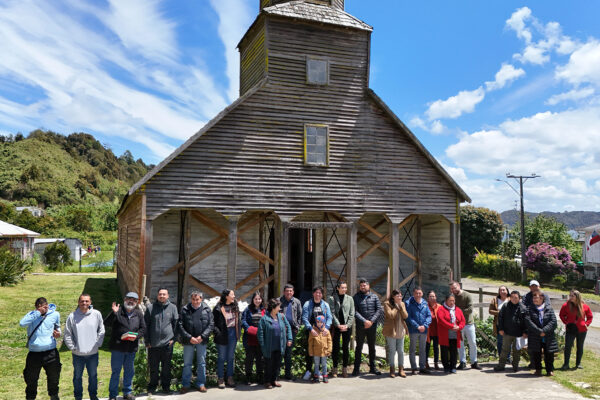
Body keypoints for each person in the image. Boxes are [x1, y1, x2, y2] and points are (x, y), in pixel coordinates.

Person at [64, 293, 105, 400]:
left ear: (90, 302)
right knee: (77, 377)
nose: (84, 303)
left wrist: (98, 344)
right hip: (78, 355)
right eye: (82, 301)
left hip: (93, 354)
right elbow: (67, 334)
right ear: (78, 302)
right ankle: (78, 397)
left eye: (86, 301)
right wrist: (72, 347)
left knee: (93, 376)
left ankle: (93, 396)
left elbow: (101, 330)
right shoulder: (72, 316)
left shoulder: (96, 314)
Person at [20, 297, 62, 400]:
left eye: (43, 307)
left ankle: (54, 396)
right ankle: (30, 397)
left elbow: (57, 328)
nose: (42, 309)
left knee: (54, 378)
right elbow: (22, 323)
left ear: (47, 306)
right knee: (31, 379)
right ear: (36, 307)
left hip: (51, 352)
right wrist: (38, 313)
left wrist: (58, 334)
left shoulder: (55, 314)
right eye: (39, 307)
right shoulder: (32, 315)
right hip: (34, 353)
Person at [106, 292, 145, 400]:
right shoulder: (118, 311)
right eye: (129, 299)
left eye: (133, 300)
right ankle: (113, 395)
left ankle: (127, 392)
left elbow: (143, 329)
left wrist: (136, 336)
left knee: (129, 371)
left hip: (131, 348)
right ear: (124, 299)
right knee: (116, 372)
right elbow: (107, 324)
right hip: (118, 347)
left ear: (136, 302)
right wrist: (113, 313)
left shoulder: (138, 314)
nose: (131, 301)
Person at [178, 290, 214, 394]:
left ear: (201, 299)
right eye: (193, 299)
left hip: (201, 341)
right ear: (191, 299)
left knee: (201, 363)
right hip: (188, 341)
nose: (195, 301)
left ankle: (201, 384)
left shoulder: (206, 309)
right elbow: (180, 325)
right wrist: (189, 337)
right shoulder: (185, 309)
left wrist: (202, 336)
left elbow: (211, 324)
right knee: (187, 364)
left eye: (197, 299)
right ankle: (185, 385)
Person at [144, 288, 178, 394]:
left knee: (166, 368)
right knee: (153, 367)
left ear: (168, 296)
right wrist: (147, 341)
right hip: (153, 344)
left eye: (164, 294)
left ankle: (166, 387)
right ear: (157, 296)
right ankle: (152, 387)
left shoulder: (173, 308)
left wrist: (174, 339)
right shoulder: (150, 308)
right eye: (160, 294)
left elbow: (176, 325)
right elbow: (146, 326)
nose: (162, 296)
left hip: (167, 344)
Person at [257, 298, 292, 389]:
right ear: (273, 307)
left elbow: (288, 327)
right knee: (268, 365)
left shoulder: (281, 316)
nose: (280, 308)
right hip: (268, 347)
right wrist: (263, 345)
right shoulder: (264, 319)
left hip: (280, 345)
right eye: (278, 306)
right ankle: (267, 381)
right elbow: (260, 333)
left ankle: (274, 380)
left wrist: (289, 339)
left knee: (277, 364)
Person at [352, 278, 383, 376]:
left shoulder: (374, 297)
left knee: (372, 347)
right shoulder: (356, 297)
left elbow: (378, 310)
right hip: (361, 326)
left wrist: (371, 321)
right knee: (359, 347)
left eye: (364, 285)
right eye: (361, 286)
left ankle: (372, 368)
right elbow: (354, 311)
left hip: (372, 326)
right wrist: (364, 321)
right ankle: (356, 369)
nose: (363, 287)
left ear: (368, 286)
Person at [301, 286, 332, 380]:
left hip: (323, 331)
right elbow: (304, 318)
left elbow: (330, 317)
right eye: (316, 292)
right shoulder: (308, 304)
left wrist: (327, 328)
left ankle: (320, 372)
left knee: (322, 351)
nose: (318, 295)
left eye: (320, 293)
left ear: (322, 295)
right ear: (313, 293)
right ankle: (309, 371)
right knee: (310, 351)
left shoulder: (325, 305)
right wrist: (311, 329)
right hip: (312, 330)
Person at [524, 291, 558, 376]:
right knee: (536, 353)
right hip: (535, 335)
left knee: (549, 353)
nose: (534, 299)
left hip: (548, 336)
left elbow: (553, 322)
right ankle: (538, 369)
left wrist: (544, 331)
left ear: (542, 298)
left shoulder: (549, 308)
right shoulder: (529, 309)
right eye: (533, 298)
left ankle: (549, 370)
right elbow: (528, 322)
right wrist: (539, 331)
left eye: (536, 297)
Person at [213, 289, 241, 388]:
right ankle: (220, 378)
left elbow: (238, 321)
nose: (234, 296)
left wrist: (238, 333)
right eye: (232, 294)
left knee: (230, 357)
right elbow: (213, 323)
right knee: (221, 357)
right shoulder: (218, 307)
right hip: (222, 334)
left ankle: (230, 377)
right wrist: (218, 333)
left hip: (233, 333)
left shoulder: (235, 306)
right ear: (226, 296)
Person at [559, 289, 593, 370]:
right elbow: (561, 315)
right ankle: (566, 364)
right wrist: (566, 322)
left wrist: (586, 324)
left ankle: (578, 364)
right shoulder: (566, 305)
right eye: (570, 295)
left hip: (582, 330)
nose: (570, 297)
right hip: (570, 330)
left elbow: (590, 317)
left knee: (580, 346)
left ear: (577, 297)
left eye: (572, 296)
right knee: (568, 346)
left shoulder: (585, 306)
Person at [450, 281, 480, 369]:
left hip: (469, 323)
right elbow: (450, 308)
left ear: (459, 286)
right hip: (458, 324)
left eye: (454, 288)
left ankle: (474, 361)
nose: (453, 290)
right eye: (451, 289)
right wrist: (461, 310)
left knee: (473, 342)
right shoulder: (452, 297)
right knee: (460, 344)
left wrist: (458, 311)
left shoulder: (467, 295)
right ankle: (462, 361)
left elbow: (470, 309)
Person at [327, 281, 355, 378]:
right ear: (338, 288)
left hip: (347, 327)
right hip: (336, 327)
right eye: (342, 287)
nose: (344, 289)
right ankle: (334, 368)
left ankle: (344, 369)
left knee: (345, 348)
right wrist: (338, 325)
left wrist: (347, 325)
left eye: (345, 288)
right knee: (336, 348)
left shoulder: (350, 298)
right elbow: (332, 312)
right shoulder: (332, 298)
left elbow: (352, 313)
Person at [494, 290, 526, 372]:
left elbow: (526, 321)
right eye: (512, 297)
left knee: (517, 351)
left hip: (519, 334)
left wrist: (525, 332)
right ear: (510, 298)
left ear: (519, 298)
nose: (514, 299)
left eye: (515, 298)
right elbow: (500, 318)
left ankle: (515, 366)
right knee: (504, 350)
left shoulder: (523, 308)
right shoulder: (505, 306)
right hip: (507, 333)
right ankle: (501, 365)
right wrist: (500, 329)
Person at [436, 294, 465, 373]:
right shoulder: (441, 309)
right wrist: (452, 326)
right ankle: (446, 366)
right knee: (444, 351)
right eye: (450, 301)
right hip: (445, 334)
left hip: (455, 334)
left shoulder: (458, 309)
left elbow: (463, 320)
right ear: (446, 301)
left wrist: (459, 327)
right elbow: (441, 320)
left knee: (454, 351)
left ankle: (453, 366)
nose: (452, 302)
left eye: (453, 301)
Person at [406, 286, 432, 375]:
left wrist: (424, 325)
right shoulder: (409, 303)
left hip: (423, 330)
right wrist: (417, 326)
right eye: (416, 293)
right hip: (414, 330)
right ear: (413, 294)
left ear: (422, 293)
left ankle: (422, 367)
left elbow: (429, 316)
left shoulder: (425, 303)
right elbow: (409, 317)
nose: (418, 295)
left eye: (419, 293)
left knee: (422, 349)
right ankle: (414, 367)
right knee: (412, 349)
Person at [383, 289, 409, 378]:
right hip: (391, 331)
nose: (400, 297)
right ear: (393, 297)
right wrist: (396, 307)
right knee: (392, 351)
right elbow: (390, 315)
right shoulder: (387, 304)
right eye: (398, 296)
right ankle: (392, 369)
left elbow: (405, 316)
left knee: (401, 351)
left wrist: (400, 307)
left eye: (400, 296)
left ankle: (401, 369)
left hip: (400, 330)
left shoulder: (402, 304)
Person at [279, 284, 303, 380]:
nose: (289, 293)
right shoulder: (279, 301)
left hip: (292, 331)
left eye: (290, 291)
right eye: (287, 291)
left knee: (288, 353)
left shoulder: (297, 302)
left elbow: (300, 315)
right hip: (280, 331)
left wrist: (297, 327)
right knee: (279, 352)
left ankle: (287, 374)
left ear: (293, 292)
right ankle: (277, 374)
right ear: (284, 292)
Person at [241, 291, 266, 384]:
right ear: (252, 300)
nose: (258, 301)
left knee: (260, 359)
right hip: (250, 338)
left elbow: (267, 321)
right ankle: (248, 377)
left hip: (261, 339)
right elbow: (243, 320)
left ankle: (259, 376)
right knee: (249, 359)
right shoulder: (248, 309)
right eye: (256, 299)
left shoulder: (264, 310)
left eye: (259, 299)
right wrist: (249, 329)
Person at [309, 315, 333, 383]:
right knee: (316, 364)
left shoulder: (326, 331)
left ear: (324, 323)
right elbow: (310, 342)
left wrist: (329, 350)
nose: (319, 323)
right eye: (317, 322)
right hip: (316, 351)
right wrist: (310, 351)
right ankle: (316, 376)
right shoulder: (313, 331)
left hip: (324, 351)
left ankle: (325, 376)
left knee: (324, 364)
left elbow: (329, 341)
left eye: (320, 322)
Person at [489, 285, 510, 359]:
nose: (502, 291)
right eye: (500, 290)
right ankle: (501, 357)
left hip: (509, 324)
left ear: (507, 291)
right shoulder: (495, 300)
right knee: (500, 341)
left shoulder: (510, 299)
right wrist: (500, 312)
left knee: (508, 342)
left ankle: (508, 358)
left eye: (504, 290)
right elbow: (490, 311)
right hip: (499, 324)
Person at [426, 290, 440, 370]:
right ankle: (426, 362)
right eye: (430, 296)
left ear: (436, 297)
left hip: (437, 331)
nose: (432, 298)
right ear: (428, 298)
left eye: (433, 296)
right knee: (427, 347)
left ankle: (436, 363)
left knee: (436, 347)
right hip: (428, 331)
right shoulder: (425, 306)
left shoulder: (439, 306)